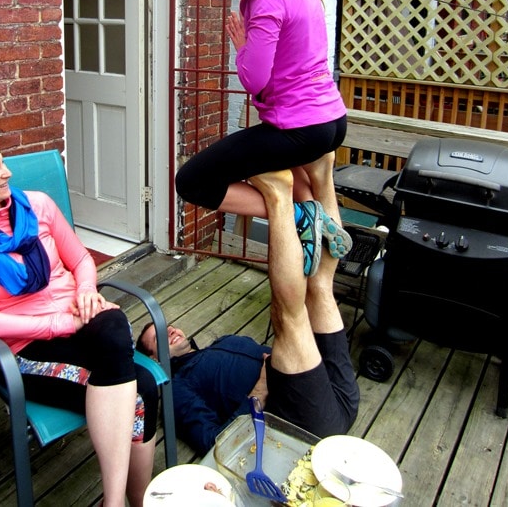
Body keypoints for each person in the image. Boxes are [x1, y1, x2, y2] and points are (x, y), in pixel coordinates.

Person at [0, 137, 156, 507]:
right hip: (25, 346)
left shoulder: (38, 205)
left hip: (77, 316)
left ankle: (118, 503)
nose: (7, 173)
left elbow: (80, 260)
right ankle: (123, 502)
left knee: (111, 322)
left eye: (3, 162)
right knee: (143, 390)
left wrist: (85, 291)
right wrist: (60, 323)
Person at [175, 0, 353, 277]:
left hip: (299, 128)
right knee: (288, 168)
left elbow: (254, 79)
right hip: (332, 121)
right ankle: (316, 219)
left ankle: (300, 214)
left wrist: (242, 49)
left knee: (192, 181)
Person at [137, 171, 359, 456]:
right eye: (158, 337)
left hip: (336, 392)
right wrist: (261, 390)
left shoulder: (219, 344)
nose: (169, 330)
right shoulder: (178, 390)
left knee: (320, 286)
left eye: (166, 325)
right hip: (307, 422)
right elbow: (212, 443)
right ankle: (291, 204)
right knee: (290, 316)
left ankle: (320, 174)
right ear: (155, 360)